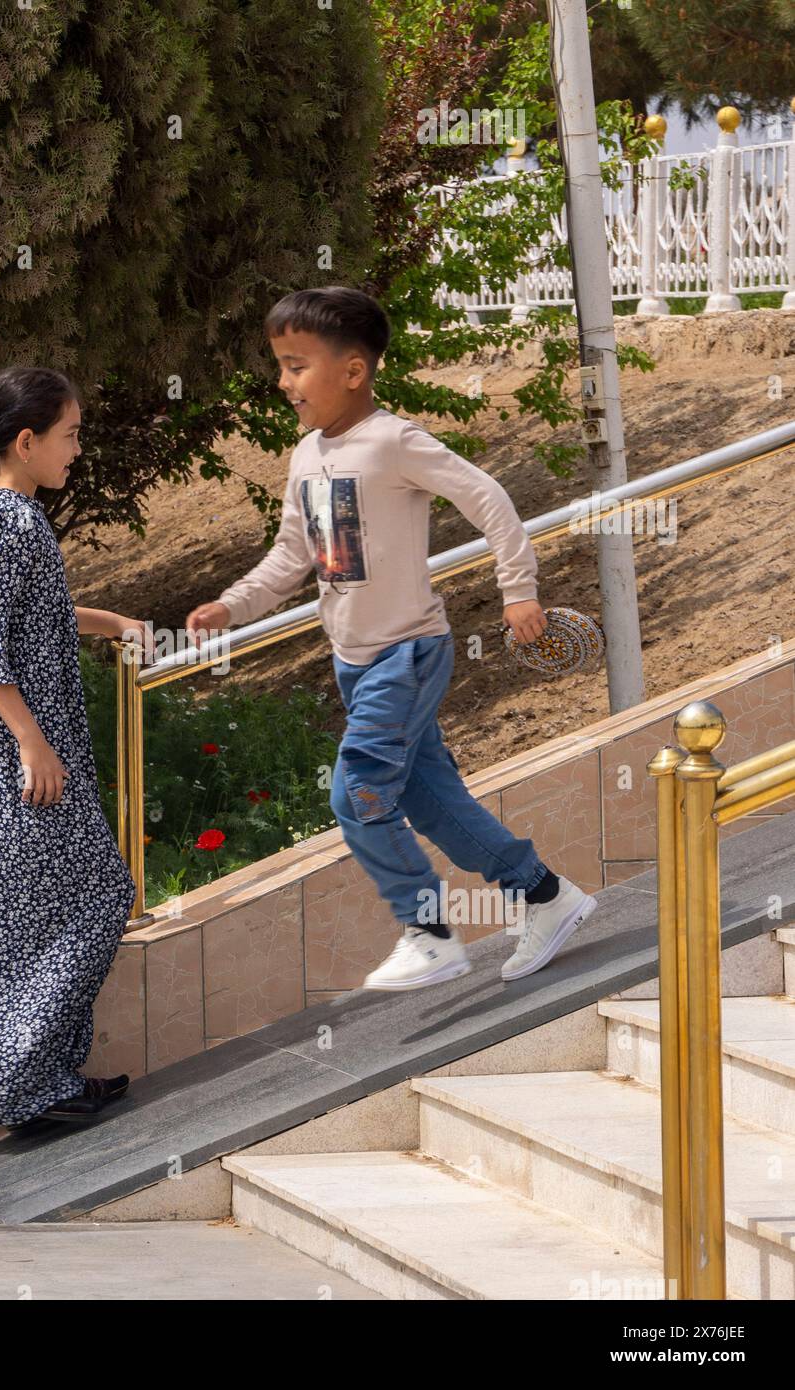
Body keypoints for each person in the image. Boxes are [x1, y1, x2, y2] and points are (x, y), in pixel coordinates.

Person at [185, 287, 597, 990]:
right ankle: (545, 895)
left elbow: (487, 498)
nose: (282, 382)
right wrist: (231, 605)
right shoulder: (307, 454)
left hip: (406, 653)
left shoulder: (394, 441)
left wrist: (518, 588)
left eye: (295, 366)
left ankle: (428, 929)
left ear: (352, 371)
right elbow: (294, 555)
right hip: (354, 662)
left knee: (357, 794)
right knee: (433, 804)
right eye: (278, 366)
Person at [0, 366, 153, 1127]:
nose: (77, 450)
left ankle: (42, 1077)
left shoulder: (14, 519)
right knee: (97, 893)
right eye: (71, 435)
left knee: (57, 904)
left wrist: (111, 622)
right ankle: (24, 1084)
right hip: (9, 761)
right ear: (27, 440)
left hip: (13, 755)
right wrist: (32, 748)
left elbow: (37, 614)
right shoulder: (11, 523)